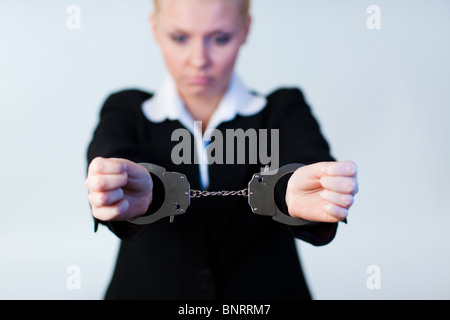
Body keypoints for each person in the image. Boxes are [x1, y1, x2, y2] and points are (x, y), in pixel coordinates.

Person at [85, 0, 358, 300]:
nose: (199, 59)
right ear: (155, 29)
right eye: (180, 38)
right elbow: (113, 155)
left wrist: (287, 189)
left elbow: (304, 158)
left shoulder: (284, 110)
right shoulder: (126, 111)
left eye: (219, 38)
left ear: (245, 29)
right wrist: (136, 189)